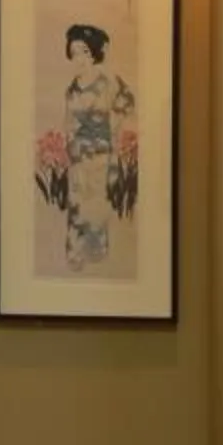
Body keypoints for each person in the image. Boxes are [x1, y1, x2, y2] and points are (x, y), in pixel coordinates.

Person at [34, 21, 139, 272]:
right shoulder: (72, 88)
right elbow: (68, 119)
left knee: (97, 205)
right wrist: (66, 148)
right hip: (77, 154)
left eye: (82, 51)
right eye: (74, 51)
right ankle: (76, 253)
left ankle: (97, 252)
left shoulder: (108, 82)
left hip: (101, 152)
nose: (77, 56)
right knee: (77, 204)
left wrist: (112, 126)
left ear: (93, 53)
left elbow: (127, 104)